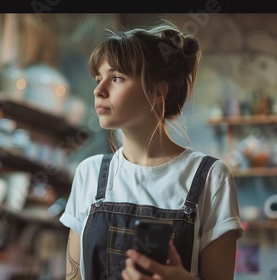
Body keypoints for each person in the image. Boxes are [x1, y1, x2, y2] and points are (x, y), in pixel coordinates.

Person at [59, 18, 244, 280]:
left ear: (157, 92)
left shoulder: (211, 178)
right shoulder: (89, 173)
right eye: (99, 79)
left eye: (117, 78)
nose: (99, 90)